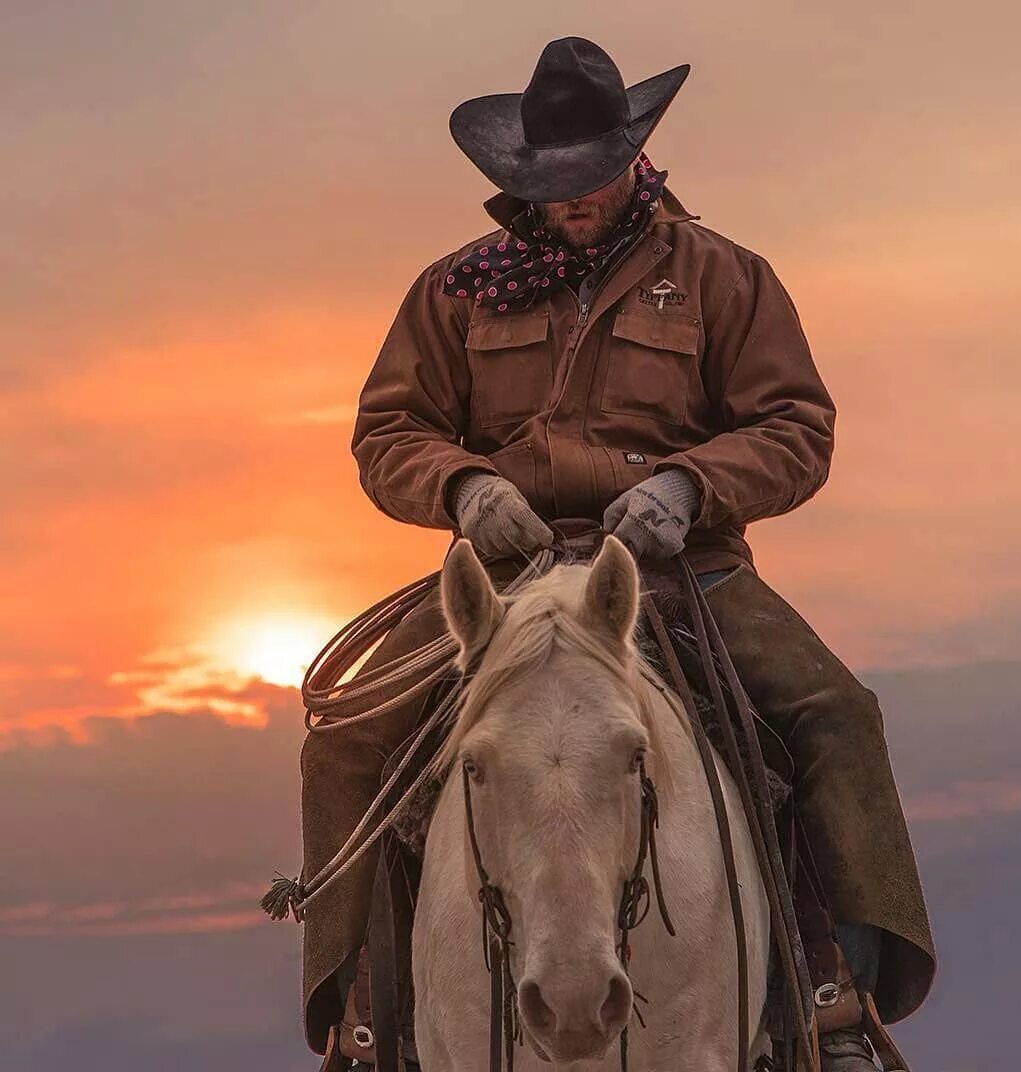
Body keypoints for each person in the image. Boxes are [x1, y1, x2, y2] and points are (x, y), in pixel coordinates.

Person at [301, 36, 935, 1071]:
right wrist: (466, 487)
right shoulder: (456, 290)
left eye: (589, 176)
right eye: (550, 182)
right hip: (506, 577)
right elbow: (388, 434)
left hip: (686, 568)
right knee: (347, 737)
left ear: (633, 157)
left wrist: (691, 485)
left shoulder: (725, 278)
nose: (573, 197)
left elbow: (793, 426)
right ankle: (363, 1021)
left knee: (832, 713)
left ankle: (834, 996)